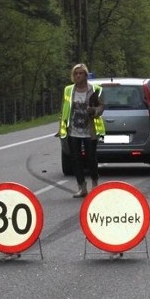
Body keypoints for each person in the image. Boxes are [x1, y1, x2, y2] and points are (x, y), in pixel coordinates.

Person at [58, 63, 105, 198]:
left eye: (81, 73)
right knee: (76, 159)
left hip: (89, 130)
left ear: (85, 75)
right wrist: (62, 126)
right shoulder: (68, 90)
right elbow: (65, 108)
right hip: (73, 129)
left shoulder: (95, 89)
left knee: (91, 158)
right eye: (76, 73)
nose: (78, 75)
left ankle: (95, 185)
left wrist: (94, 111)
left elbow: (101, 107)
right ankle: (81, 187)